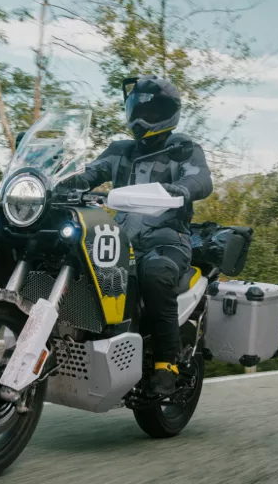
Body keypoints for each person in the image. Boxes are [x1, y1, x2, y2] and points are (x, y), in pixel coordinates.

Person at [62, 75, 213, 395]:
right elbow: (89, 174)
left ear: (169, 113)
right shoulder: (120, 150)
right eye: (137, 110)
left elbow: (201, 179)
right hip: (121, 237)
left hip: (167, 238)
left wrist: (181, 188)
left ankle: (166, 362)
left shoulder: (183, 149)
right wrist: (56, 183)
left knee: (155, 272)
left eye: (154, 111)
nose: (143, 119)